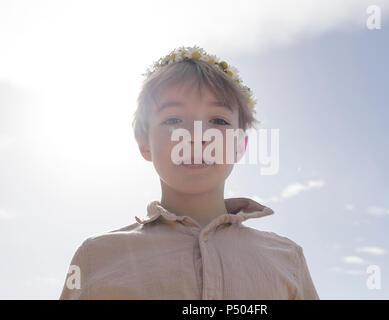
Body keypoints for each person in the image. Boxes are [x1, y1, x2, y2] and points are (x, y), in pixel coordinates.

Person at [59, 46, 319, 300]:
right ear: (144, 142)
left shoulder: (287, 258)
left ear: (240, 145)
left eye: (218, 121)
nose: (196, 136)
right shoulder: (96, 258)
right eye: (173, 120)